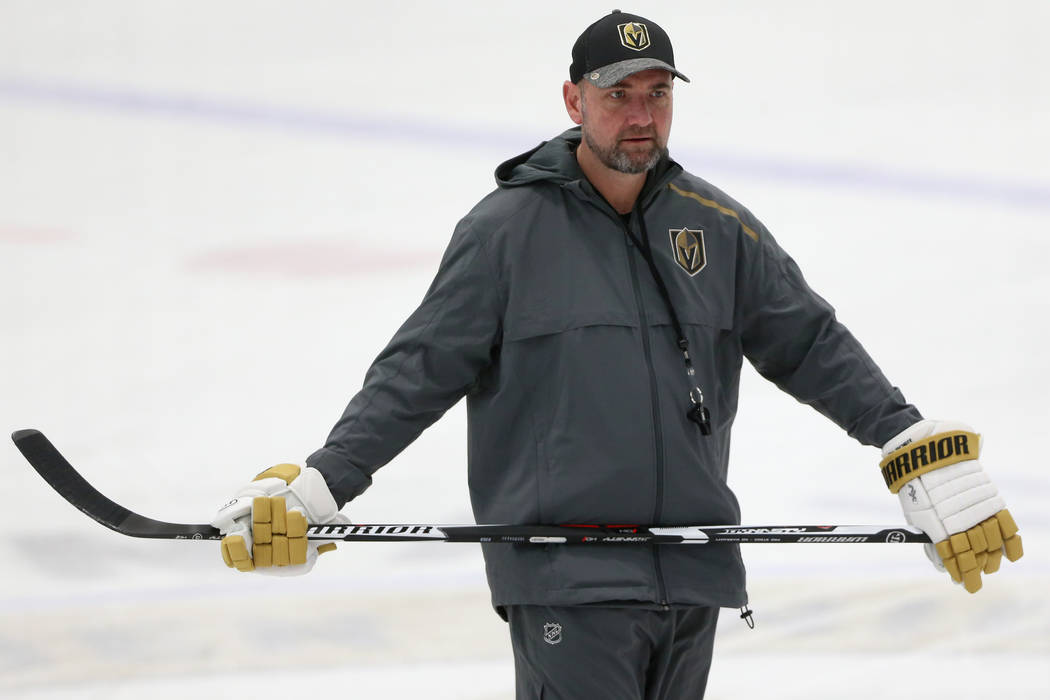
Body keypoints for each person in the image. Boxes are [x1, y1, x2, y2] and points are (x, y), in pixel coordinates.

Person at [210, 10, 1023, 699]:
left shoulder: (716, 225)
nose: (641, 114)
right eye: (618, 95)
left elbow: (809, 341)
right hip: (572, 578)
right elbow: (419, 369)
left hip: (694, 575)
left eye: (658, 94)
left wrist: (909, 443)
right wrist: (327, 480)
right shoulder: (505, 233)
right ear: (574, 100)